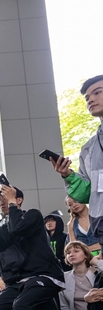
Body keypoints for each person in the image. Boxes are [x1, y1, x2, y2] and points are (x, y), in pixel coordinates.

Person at [52, 76, 103, 248]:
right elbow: (86, 193)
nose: (91, 100)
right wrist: (68, 175)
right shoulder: (89, 148)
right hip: (100, 220)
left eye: (97, 92)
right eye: (87, 98)